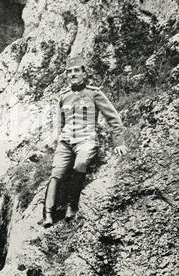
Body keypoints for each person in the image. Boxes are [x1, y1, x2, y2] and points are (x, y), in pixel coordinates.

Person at [43, 55, 128, 228]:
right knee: (56, 173)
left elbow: (113, 117)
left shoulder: (94, 93)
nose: (73, 74)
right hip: (66, 141)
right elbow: (59, 123)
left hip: (86, 140)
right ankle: (48, 214)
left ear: (84, 73)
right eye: (69, 72)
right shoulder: (63, 96)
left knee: (80, 164)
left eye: (76, 70)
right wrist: (58, 140)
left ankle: (71, 207)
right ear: (66, 75)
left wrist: (118, 142)